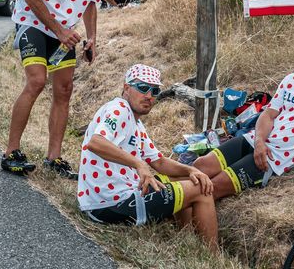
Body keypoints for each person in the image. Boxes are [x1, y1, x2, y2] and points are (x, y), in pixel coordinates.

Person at [1, 0, 113, 179]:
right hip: (33, 21)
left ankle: (54, 157)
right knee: (37, 81)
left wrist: (92, 38)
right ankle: (11, 152)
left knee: (64, 90)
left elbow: (90, 3)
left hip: (64, 29)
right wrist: (60, 31)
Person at [194, 29, 294, 199]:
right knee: (200, 166)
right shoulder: (291, 80)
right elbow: (268, 114)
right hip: (255, 140)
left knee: (210, 187)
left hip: (277, 157)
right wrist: (259, 142)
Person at [78, 64, 218, 249]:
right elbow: (96, 143)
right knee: (202, 190)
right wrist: (138, 164)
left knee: (186, 177)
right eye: (143, 88)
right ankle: (212, 255)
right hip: (110, 204)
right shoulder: (119, 110)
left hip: (107, 200)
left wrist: (191, 169)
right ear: (126, 88)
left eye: (155, 90)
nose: (149, 96)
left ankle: (188, 239)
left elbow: (158, 162)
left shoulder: (135, 122)